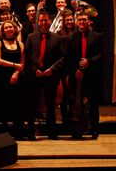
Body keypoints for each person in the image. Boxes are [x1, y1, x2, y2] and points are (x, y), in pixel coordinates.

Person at [24, 10, 65, 140]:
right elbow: (27, 57)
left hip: (50, 76)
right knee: (31, 105)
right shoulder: (31, 37)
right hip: (34, 76)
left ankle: (52, 133)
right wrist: (34, 69)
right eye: (41, 20)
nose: (43, 23)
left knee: (51, 106)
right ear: (38, 22)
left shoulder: (58, 38)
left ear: (50, 21)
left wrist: (52, 69)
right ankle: (30, 133)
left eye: (46, 20)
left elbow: (62, 57)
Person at [64, 12, 103, 140]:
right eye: (80, 19)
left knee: (93, 104)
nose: (82, 22)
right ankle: (76, 130)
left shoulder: (97, 36)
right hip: (76, 75)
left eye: (84, 19)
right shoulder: (70, 37)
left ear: (89, 21)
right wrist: (75, 70)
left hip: (91, 75)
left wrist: (89, 62)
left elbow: (101, 55)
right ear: (76, 21)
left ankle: (94, 129)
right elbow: (67, 58)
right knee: (76, 103)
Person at [0, 20, 25, 137]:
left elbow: (22, 63)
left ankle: (18, 132)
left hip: (17, 77)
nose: (9, 29)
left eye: (11, 27)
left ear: (15, 29)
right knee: (4, 105)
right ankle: (4, 132)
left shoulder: (20, 44)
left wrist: (16, 73)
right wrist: (14, 65)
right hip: (3, 77)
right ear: (3, 30)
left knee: (17, 104)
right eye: (6, 28)